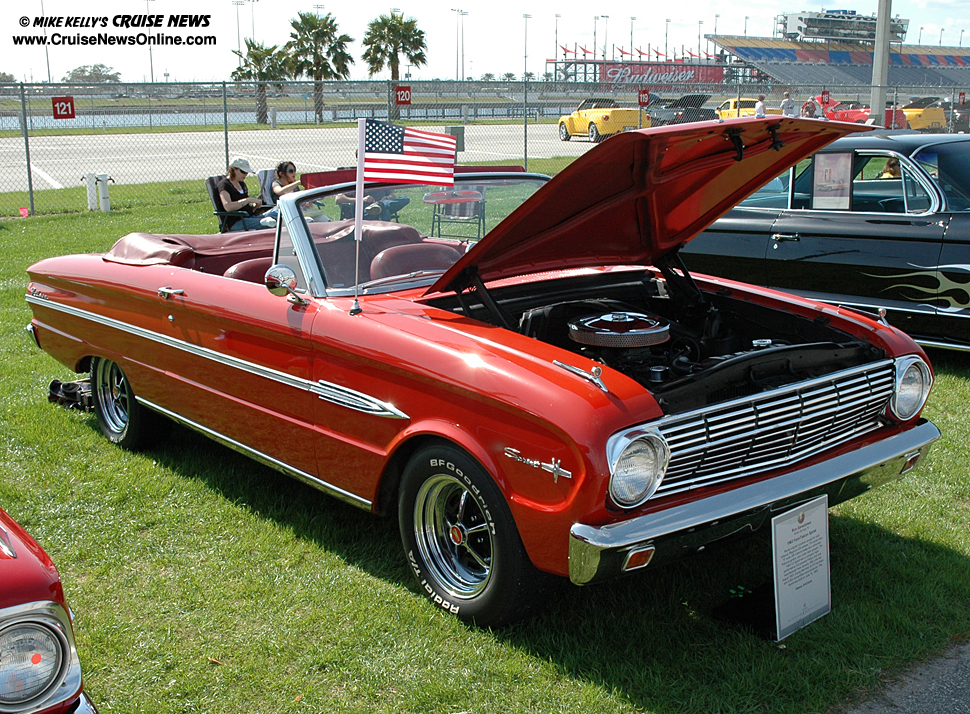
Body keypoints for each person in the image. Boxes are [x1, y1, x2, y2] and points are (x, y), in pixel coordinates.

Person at [217, 157, 267, 232]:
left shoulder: (241, 184)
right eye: (243, 172)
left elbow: (245, 208)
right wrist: (247, 200)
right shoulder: (224, 185)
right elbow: (228, 206)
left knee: (277, 212)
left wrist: (254, 207)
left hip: (250, 218)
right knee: (271, 222)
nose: (246, 174)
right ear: (234, 170)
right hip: (238, 222)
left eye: (247, 172)